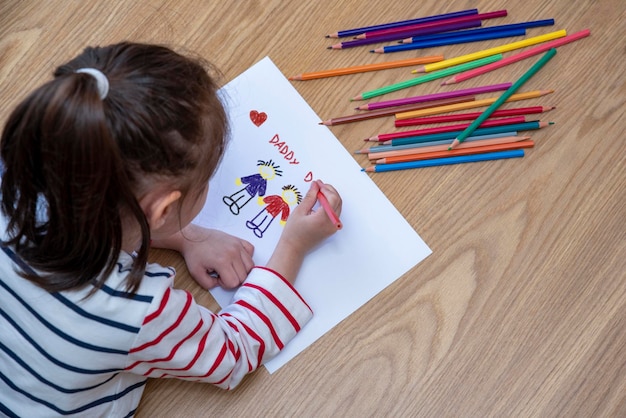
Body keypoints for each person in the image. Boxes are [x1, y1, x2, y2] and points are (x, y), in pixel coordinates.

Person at [0, 42, 342, 417]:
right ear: (160, 209)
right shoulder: (137, 311)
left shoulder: (16, 171)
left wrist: (184, 235)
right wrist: (293, 245)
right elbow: (233, 351)